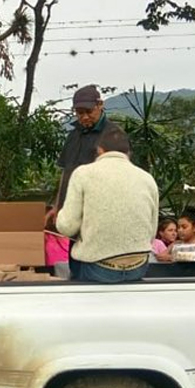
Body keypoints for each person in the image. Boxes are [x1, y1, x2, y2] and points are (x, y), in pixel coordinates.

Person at [55, 129, 159, 283]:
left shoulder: (83, 174)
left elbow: (67, 227)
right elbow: (152, 232)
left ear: (99, 150)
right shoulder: (147, 178)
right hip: (138, 266)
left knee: (76, 258)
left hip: (97, 268)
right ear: (128, 153)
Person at [51, 84, 126, 216]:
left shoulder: (114, 135)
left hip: (98, 210)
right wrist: (57, 206)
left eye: (89, 111)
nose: (85, 117)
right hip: (70, 209)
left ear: (100, 105)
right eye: (80, 113)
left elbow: (121, 177)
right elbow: (65, 172)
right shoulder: (73, 135)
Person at [44, 206, 72, 279]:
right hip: (52, 271)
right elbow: (38, 229)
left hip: (68, 271)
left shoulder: (70, 236)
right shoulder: (47, 236)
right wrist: (49, 215)